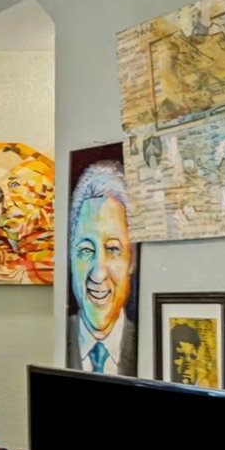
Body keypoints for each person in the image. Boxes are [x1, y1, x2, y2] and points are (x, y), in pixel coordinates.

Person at [67, 157, 134, 375]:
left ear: (132, 260)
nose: (98, 273)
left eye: (113, 249)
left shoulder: (150, 344)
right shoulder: (50, 339)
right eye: (86, 250)